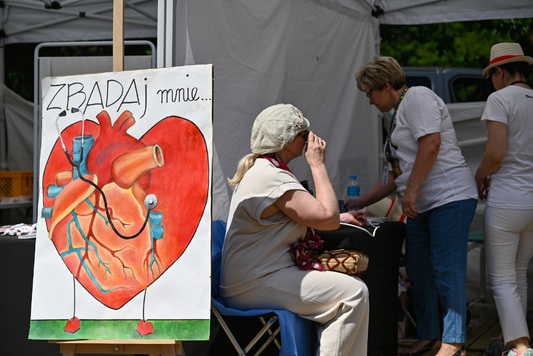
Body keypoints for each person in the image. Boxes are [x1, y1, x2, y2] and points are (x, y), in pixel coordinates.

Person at [220, 103, 369, 355]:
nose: (310, 139)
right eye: (304, 134)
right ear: (288, 142)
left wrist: (341, 215)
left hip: (255, 277)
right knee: (352, 294)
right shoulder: (270, 176)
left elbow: (307, 214)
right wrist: (318, 165)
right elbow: (328, 219)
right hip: (254, 282)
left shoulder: (267, 170)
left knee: (350, 289)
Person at [355, 56, 478, 356]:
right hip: (422, 204)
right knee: (418, 269)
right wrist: (359, 202)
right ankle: (429, 335)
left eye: (370, 93)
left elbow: (431, 144)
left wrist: (411, 190)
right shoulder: (397, 113)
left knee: (446, 269)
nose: (369, 101)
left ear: (386, 86)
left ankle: (453, 341)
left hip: (449, 198)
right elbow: (396, 176)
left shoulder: (417, 97)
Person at [475, 42, 533, 356]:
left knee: (503, 279)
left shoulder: (500, 98)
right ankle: (510, 339)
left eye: (492, 75)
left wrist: (479, 175)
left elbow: (495, 154)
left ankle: (521, 349)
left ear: (499, 72)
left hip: (508, 200)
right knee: (519, 274)